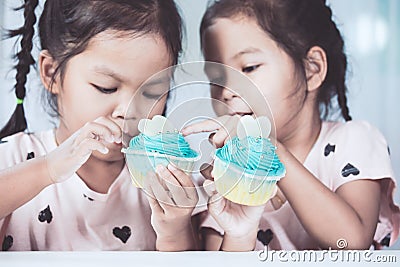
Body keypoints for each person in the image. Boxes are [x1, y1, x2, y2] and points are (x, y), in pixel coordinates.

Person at [182, 0, 400, 251]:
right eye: (217, 78)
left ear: (311, 69)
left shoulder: (354, 141)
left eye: (249, 67)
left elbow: (351, 242)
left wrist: (273, 153)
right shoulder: (222, 170)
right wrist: (238, 231)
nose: (227, 92)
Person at [0, 0, 199, 251]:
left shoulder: (169, 178)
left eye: (151, 94)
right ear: (51, 73)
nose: (128, 111)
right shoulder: (11, 159)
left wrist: (176, 230)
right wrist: (48, 170)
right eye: (106, 87)